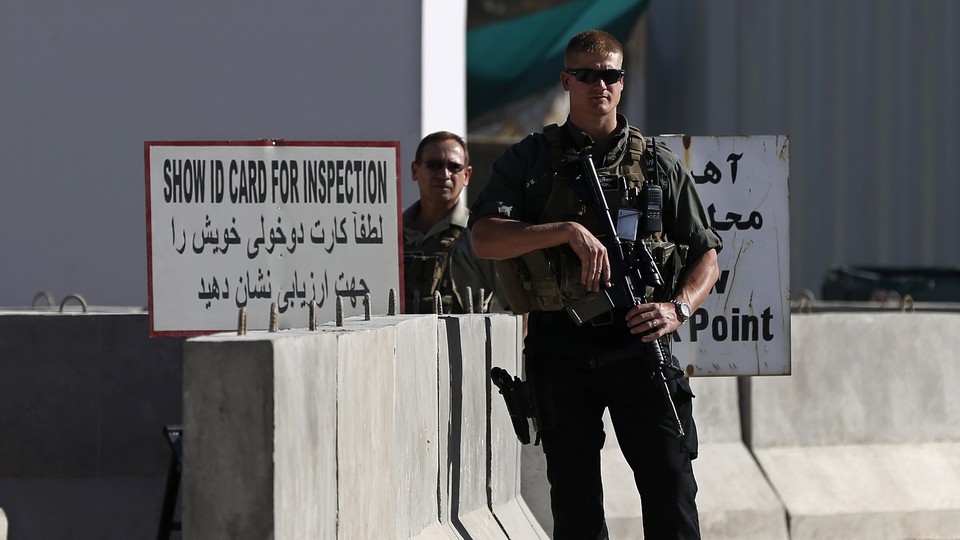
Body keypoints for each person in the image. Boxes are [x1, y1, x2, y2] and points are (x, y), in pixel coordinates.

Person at [470, 30, 722, 539]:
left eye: (609, 74)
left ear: (622, 83)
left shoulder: (657, 163)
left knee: (671, 487)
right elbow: (485, 238)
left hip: (641, 340)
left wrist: (677, 308)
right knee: (576, 500)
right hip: (561, 344)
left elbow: (707, 256)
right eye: (586, 74)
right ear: (567, 80)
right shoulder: (530, 159)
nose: (598, 84)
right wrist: (566, 231)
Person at [403, 131, 503, 314]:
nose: (444, 174)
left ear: (467, 175)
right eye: (434, 165)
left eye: (454, 167)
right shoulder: (390, 233)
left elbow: (519, 307)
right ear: (414, 170)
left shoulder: (479, 234)